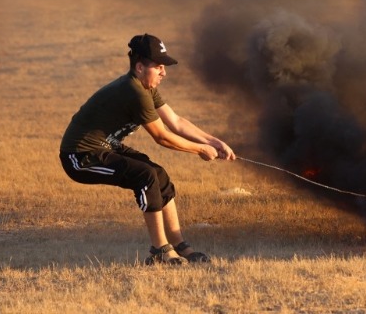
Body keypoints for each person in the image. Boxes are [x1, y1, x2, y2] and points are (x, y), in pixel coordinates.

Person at [59, 33, 235, 265]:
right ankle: (160, 250)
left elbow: (176, 121)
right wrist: (200, 150)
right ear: (140, 67)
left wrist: (213, 141)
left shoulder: (146, 88)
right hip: (80, 157)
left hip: (106, 147)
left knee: (158, 174)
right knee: (145, 176)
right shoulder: (134, 92)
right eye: (159, 66)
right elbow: (162, 137)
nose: (164, 72)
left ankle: (180, 246)